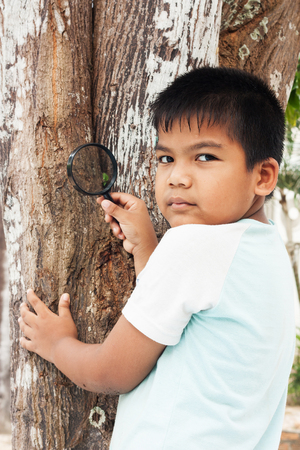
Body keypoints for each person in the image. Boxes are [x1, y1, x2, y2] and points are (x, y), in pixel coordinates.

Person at [19, 67, 295, 449]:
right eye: (165, 158)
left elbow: (111, 373)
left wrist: (56, 344)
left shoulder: (194, 247)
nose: (177, 177)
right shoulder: (267, 253)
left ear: (263, 176)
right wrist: (149, 248)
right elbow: (184, 320)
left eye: (204, 156)